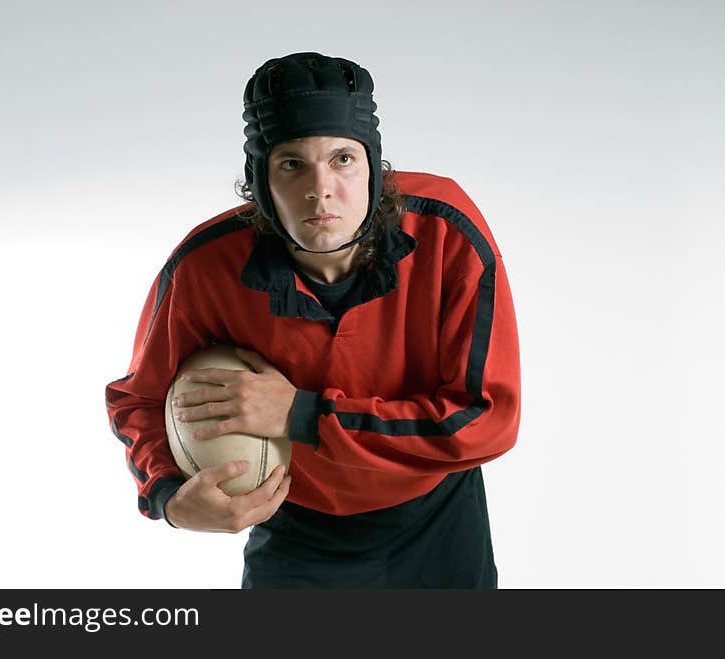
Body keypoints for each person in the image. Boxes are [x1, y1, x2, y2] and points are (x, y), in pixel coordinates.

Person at [104, 51, 521, 588]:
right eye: (292, 164)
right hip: (296, 528)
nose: (319, 189)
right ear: (260, 182)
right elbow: (138, 398)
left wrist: (302, 414)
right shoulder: (205, 267)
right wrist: (168, 497)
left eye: (342, 159)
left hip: (436, 519)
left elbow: (487, 419)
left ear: (373, 164)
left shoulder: (447, 232)